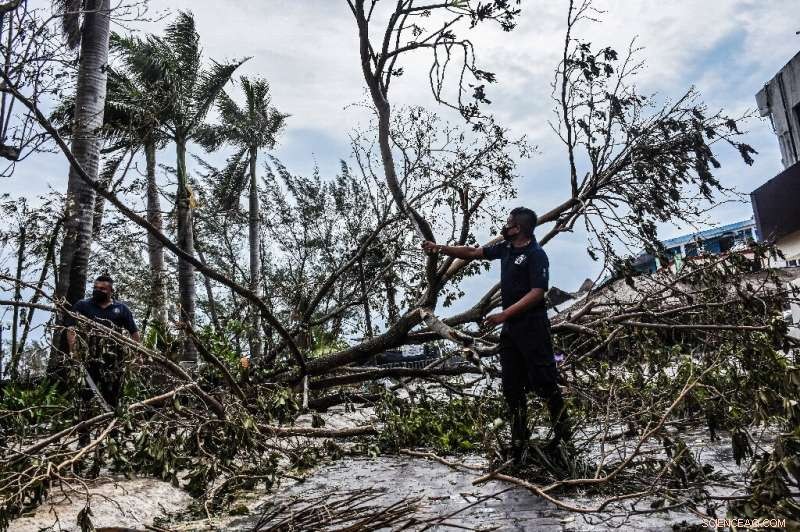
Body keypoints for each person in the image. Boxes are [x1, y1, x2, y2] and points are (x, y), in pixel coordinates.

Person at [422, 207, 571, 460]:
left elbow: (538, 293)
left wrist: (504, 314)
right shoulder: (506, 248)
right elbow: (472, 252)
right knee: (511, 387)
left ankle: (564, 440)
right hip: (511, 332)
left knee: (545, 383)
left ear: (518, 228)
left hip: (533, 329)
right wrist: (439, 248)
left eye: (509, 223)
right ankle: (519, 440)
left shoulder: (536, 255)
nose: (505, 226)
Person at [65, 274, 140, 418]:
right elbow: (71, 329)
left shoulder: (121, 309)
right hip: (88, 359)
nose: (97, 291)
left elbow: (134, 333)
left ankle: (112, 427)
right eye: (95, 288)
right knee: (85, 396)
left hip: (114, 362)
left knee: (112, 397)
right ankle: (84, 429)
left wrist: (137, 355)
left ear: (111, 290)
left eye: (102, 289)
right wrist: (74, 352)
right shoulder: (82, 305)